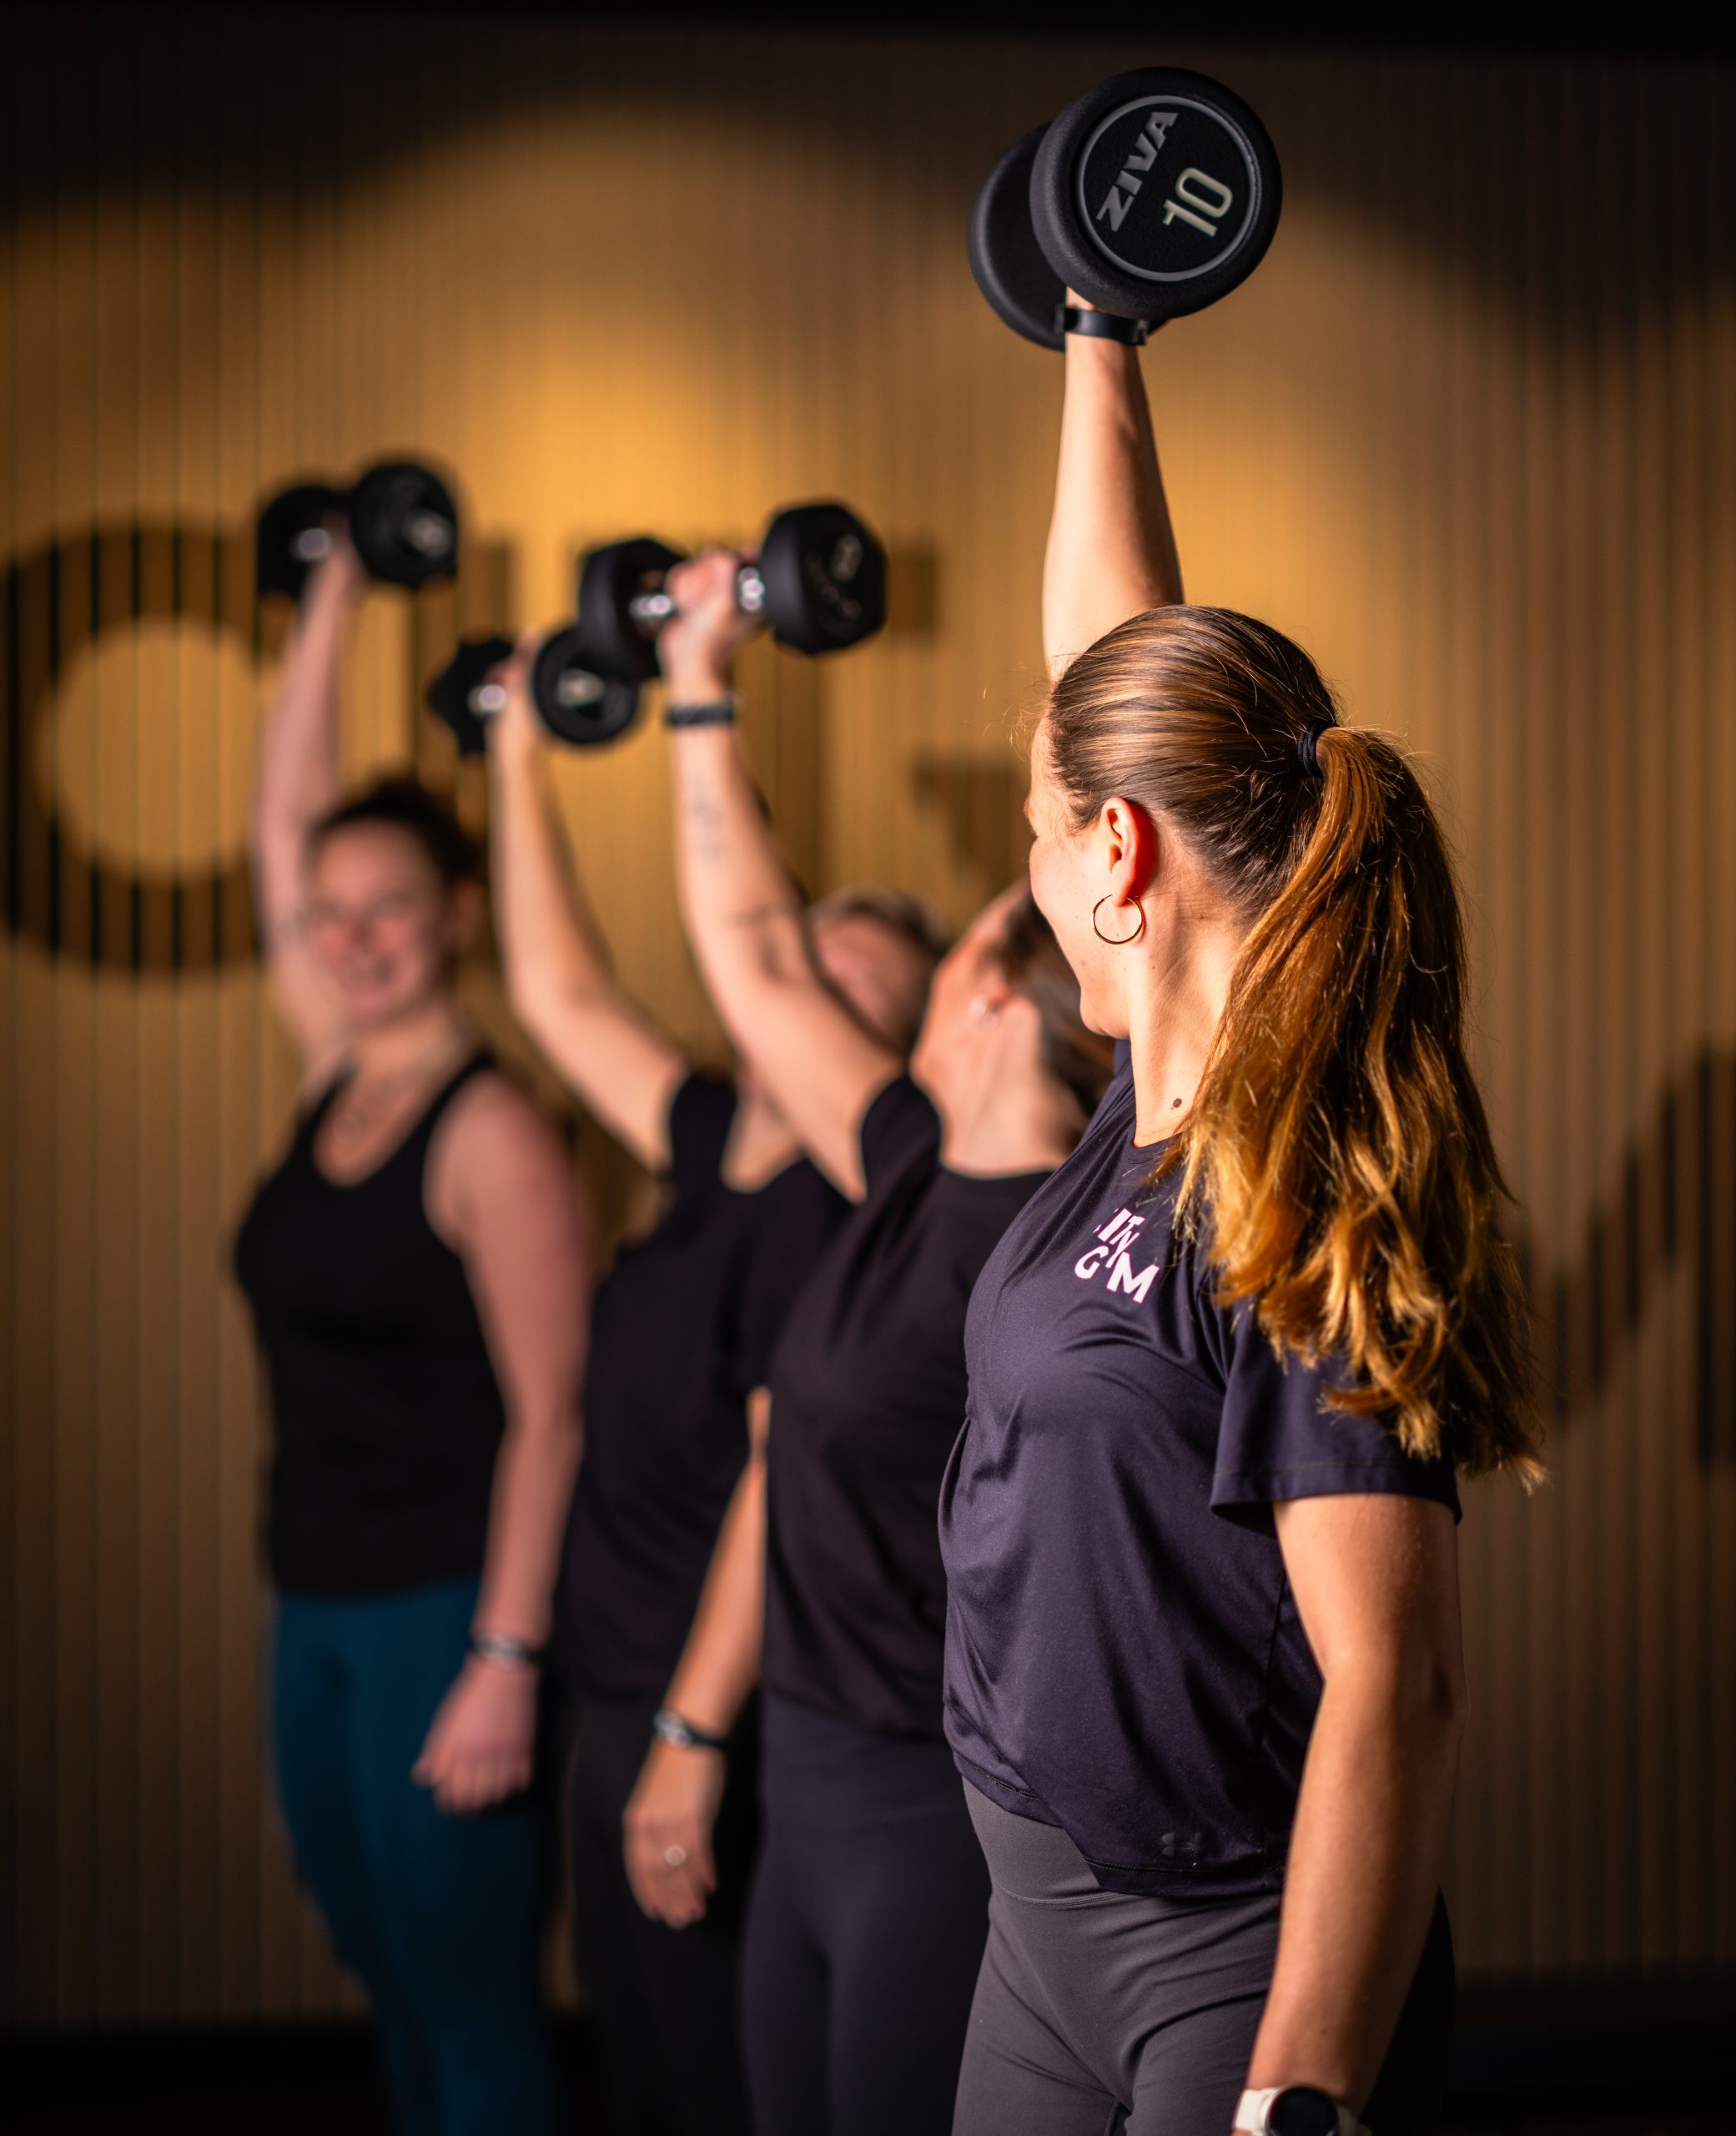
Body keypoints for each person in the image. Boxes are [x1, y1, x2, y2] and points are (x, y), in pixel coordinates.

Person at [937, 305, 1545, 2136]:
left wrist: (1298, 2087)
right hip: (1034, 1918)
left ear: (1118, 858)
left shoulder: (1302, 1194)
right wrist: (1097, 330)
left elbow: (1399, 1678)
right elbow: (1101, 661)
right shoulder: (1153, 1102)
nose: (1027, 871)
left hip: (1228, 1960)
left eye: (1038, 831)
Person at [616, 567, 1115, 2136]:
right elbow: (755, 957)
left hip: (929, 1807)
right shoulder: (909, 1156)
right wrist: (699, 681)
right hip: (812, 1773)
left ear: (982, 995)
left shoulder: (1050, 1257)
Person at [481, 638, 943, 2136]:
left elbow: (775, 1481)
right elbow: (556, 994)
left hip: (718, 1702)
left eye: (855, 993)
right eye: (809, 958)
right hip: (613, 1679)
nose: (800, 996)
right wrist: (513, 749)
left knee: (718, 2091)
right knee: (642, 2059)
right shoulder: (700, 1136)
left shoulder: (836, 1212)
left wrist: (688, 1735)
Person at [233, 534, 587, 2136]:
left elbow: (554, 1415)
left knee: (470, 1996)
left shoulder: (487, 1127)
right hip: (313, 1598)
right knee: (381, 1968)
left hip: (447, 1609)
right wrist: (338, 594)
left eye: (390, 908)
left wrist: (504, 1662)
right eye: (331, 914)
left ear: (455, 917)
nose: (352, 935)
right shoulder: (335, 1071)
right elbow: (279, 831)